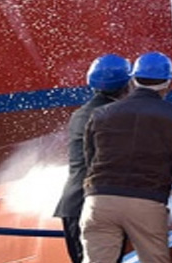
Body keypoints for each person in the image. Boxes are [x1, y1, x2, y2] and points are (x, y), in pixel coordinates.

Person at [80, 52, 172, 263]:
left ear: (133, 80)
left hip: (99, 199)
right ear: (168, 83)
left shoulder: (102, 114)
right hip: (146, 200)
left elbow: (90, 157)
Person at [54, 55, 132, 263]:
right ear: (128, 84)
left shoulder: (80, 114)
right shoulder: (119, 116)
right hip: (99, 207)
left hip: (74, 205)